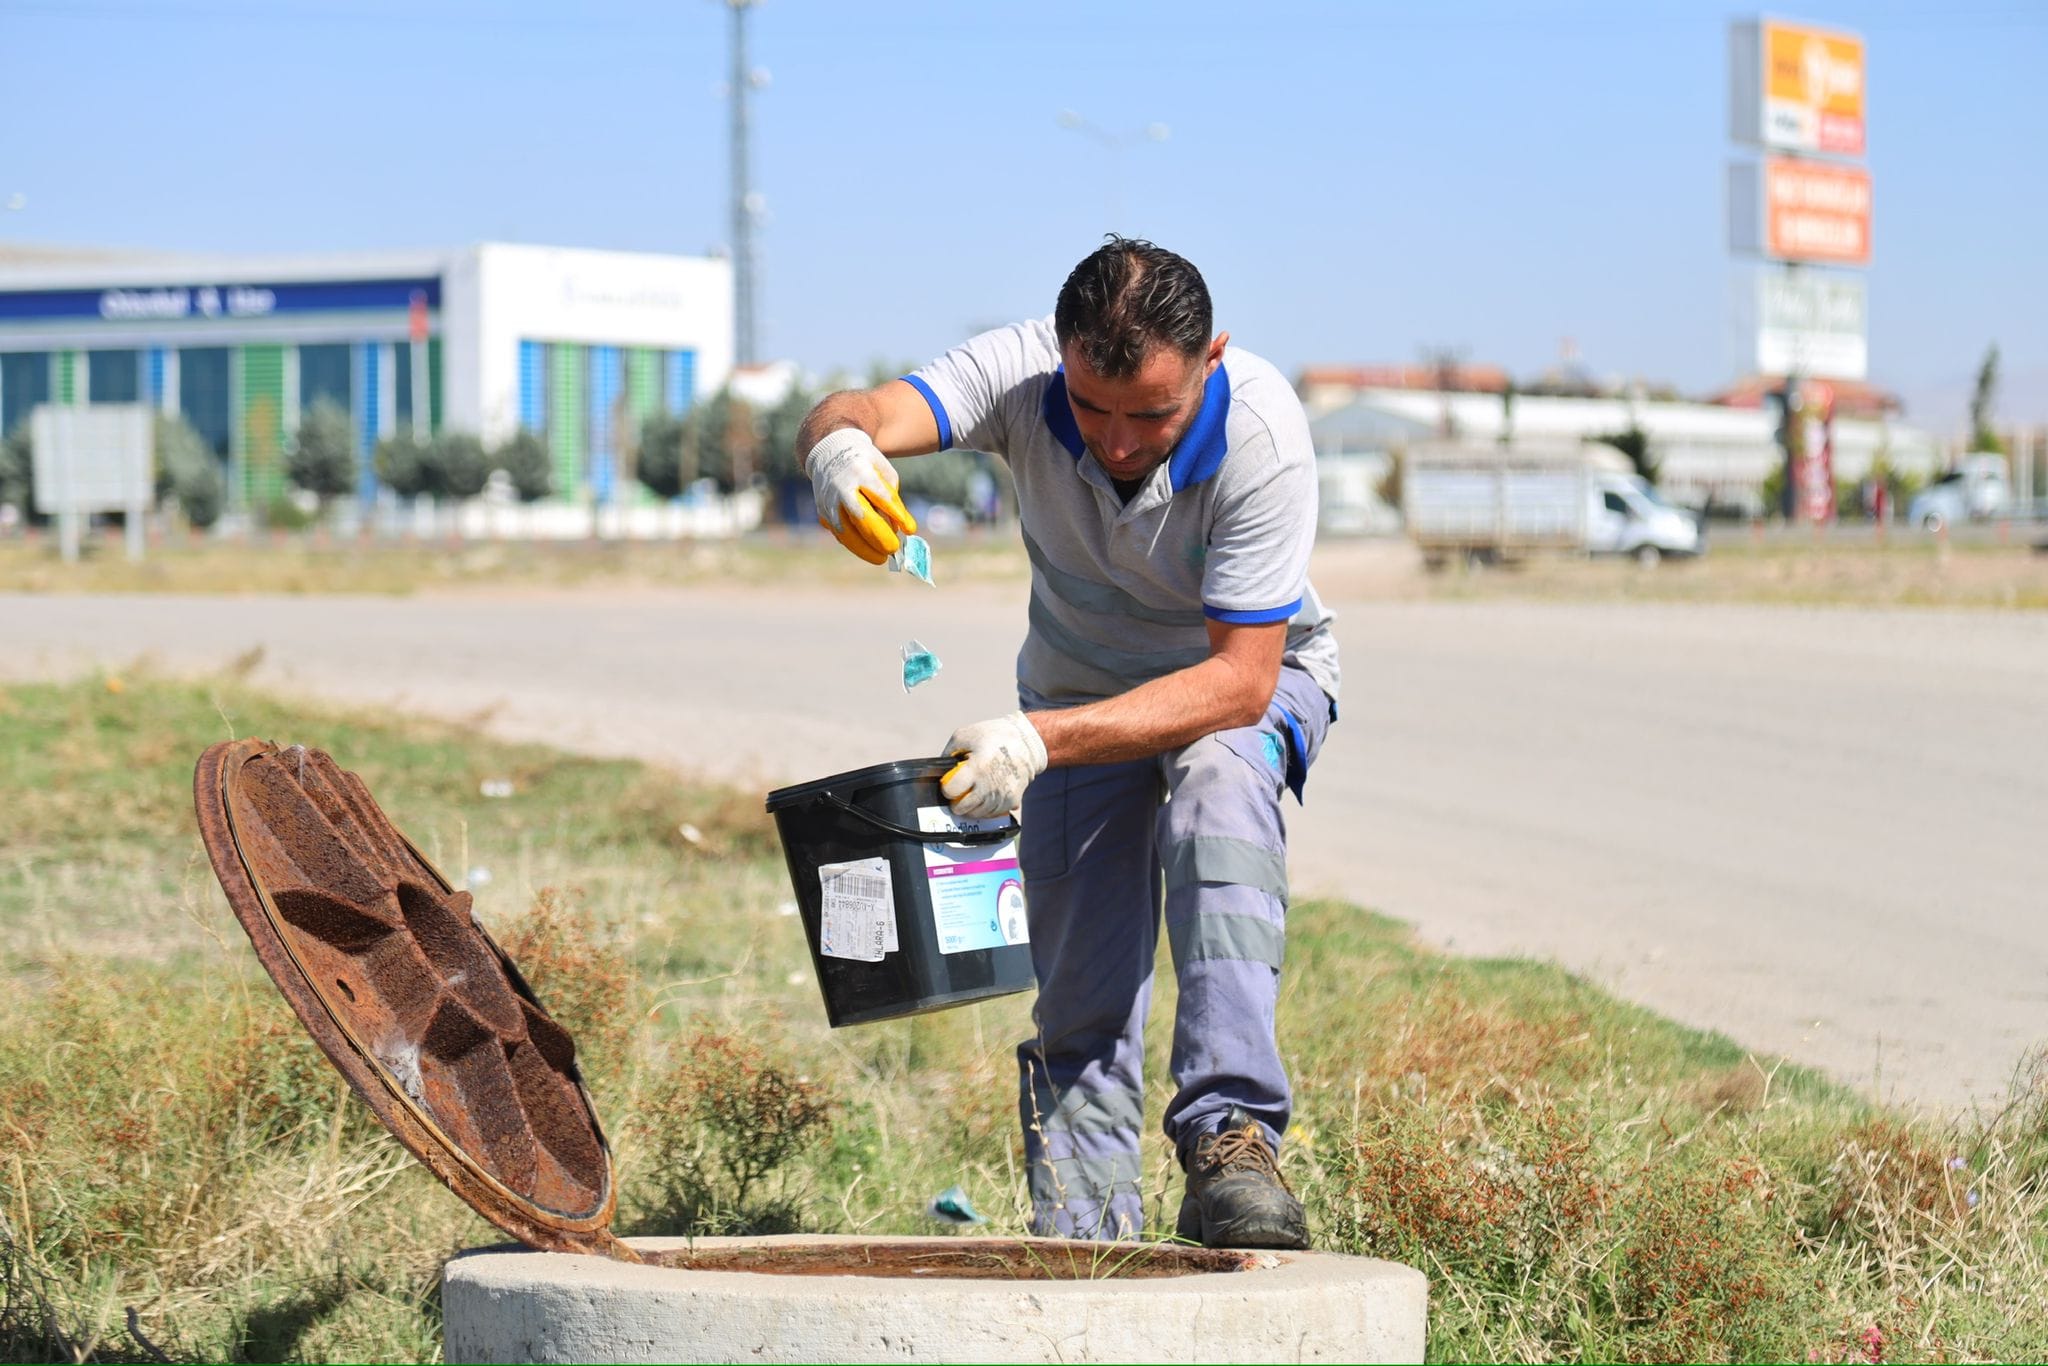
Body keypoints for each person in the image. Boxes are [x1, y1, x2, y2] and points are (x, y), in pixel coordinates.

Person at [794, 237, 1339, 1248]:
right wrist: (838, 450)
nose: (1118, 442)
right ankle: (1087, 1239)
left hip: (1238, 688)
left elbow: (1238, 680)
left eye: (1151, 415)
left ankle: (1230, 1137)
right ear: (1059, 355)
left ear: (1209, 360)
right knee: (1082, 984)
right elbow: (857, 408)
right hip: (1074, 700)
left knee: (1218, 784)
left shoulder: (1262, 430)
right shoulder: (1016, 374)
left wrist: (1037, 740)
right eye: (1091, 410)